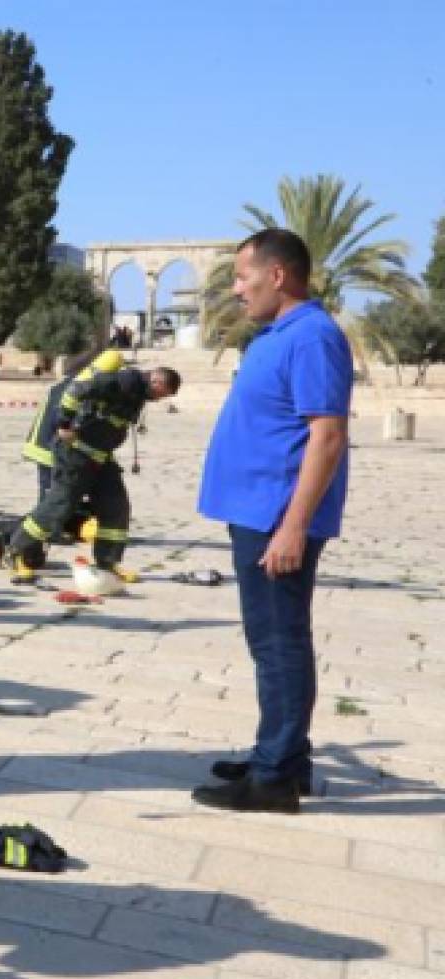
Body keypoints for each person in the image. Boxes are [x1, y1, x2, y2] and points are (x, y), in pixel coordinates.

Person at [192, 228, 352, 814]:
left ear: (277, 275)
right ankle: (284, 756)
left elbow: (327, 436)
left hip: (276, 518)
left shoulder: (312, 336)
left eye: (243, 277)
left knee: (279, 642)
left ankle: (274, 777)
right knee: (272, 641)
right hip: (256, 512)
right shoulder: (277, 335)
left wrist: (293, 526)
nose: (237, 289)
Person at [6, 362, 181, 585]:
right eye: (161, 394)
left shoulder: (138, 393)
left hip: (101, 457)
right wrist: (64, 424)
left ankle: (107, 563)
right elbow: (77, 390)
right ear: (156, 381)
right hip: (75, 453)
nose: (159, 399)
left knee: (116, 506)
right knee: (60, 505)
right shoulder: (125, 381)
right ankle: (17, 552)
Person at [20, 350, 128, 543]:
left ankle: (54, 527)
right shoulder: (81, 386)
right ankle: (49, 532)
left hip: (46, 441)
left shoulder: (76, 381)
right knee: (54, 492)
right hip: (49, 445)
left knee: (55, 490)